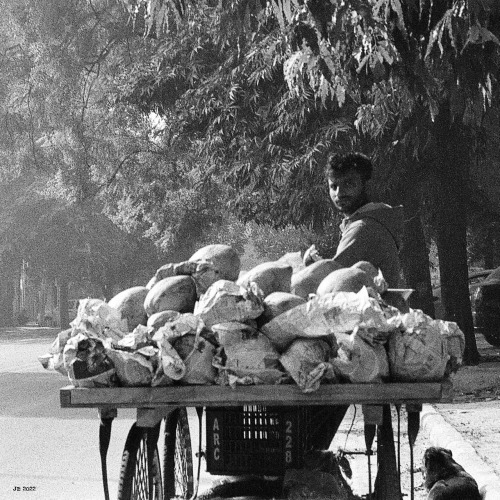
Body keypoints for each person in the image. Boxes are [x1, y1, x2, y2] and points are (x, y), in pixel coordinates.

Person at [305, 152, 403, 288]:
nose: (339, 193)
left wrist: (309, 265)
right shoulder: (374, 220)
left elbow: (329, 285)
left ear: (366, 185)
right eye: (334, 186)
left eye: (348, 183)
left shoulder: (362, 228)